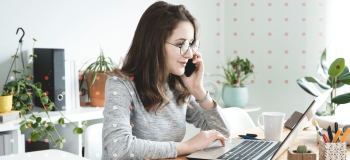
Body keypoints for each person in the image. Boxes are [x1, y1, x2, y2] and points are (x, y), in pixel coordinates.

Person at [102, 1, 231, 159]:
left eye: (191, 44)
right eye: (180, 44)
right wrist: (187, 146)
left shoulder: (177, 84)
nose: (190, 54)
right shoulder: (121, 84)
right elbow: (118, 147)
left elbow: (222, 134)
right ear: (153, 44)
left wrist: (198, 90)